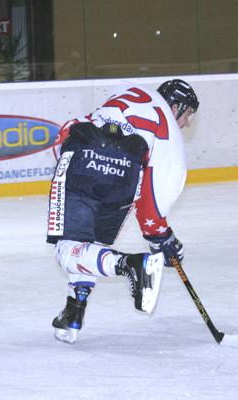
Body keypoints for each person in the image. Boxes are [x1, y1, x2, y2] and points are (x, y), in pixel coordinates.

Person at [46, 79, 199, 344]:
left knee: (69, 248)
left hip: (83, 159)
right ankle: (74, 312)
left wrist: (65, 154)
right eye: (187, 115)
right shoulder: (168, 136)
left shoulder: (127, 91)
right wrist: (162, 239)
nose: (185, 123)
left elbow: (75, 127)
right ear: (175, 105)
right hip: (124, 174)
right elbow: (152, 204)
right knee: (89, 246)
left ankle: (129, 264)